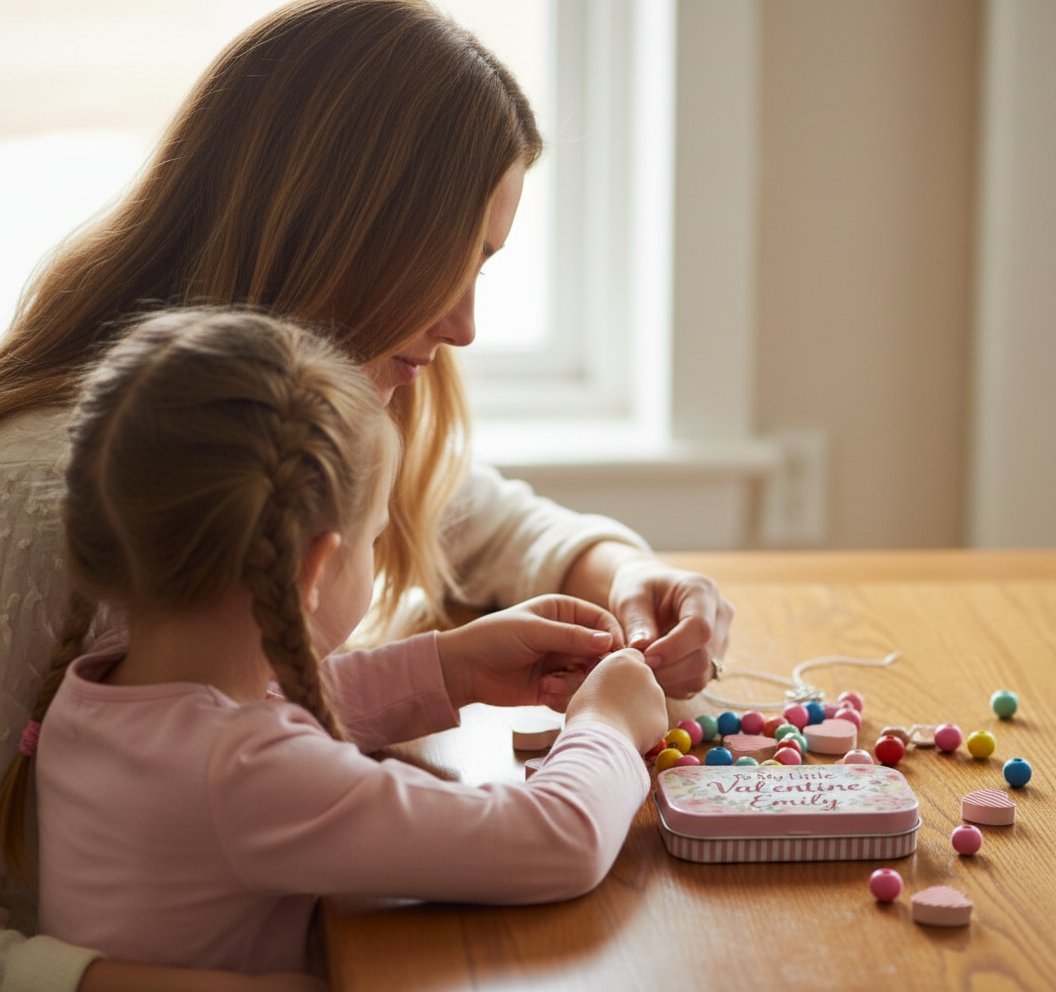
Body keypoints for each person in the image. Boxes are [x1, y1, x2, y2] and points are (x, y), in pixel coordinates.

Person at [0, 0, 731, 984]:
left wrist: (619, 572)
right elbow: (546, 837)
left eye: (487, 263)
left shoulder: (200, 452)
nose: (467, 324)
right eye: (454, 259)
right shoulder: (35, 512)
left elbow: (478, 515)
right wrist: (607, 726)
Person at [0, 309, 669, 980]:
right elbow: (556, 841)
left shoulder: (91, 696)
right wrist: (606, 723)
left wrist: (452, 668)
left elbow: (263, 705)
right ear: (314, 569)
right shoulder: (245, 773)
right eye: (375, 537)